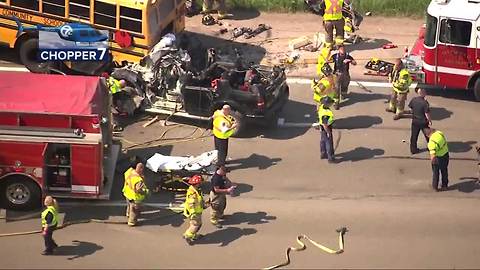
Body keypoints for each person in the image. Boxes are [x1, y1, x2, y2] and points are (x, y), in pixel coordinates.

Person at [183, 175, 206, 245]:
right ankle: (188, 236)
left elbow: (199, 199)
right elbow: (191, 203)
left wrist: (204, 204)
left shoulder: (196, 189)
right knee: (196, 225)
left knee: (194, 224)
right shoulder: (192, 193)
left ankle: (193, 235)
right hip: (195, 212)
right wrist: (193, 213)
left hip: (197, 210)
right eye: (200, 182)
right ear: (197, 183)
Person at [408, 87, 432, 154]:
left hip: (415, 121)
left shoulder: (413, 100)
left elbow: (411, 109)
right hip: (423, 122)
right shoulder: (424, 103)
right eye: (425, 92)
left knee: (414, 136)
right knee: (428, 135)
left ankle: (413, 150)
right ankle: (431, 147)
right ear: (423, 93)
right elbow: (426, 113)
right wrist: (429, 120)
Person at [317, 96, 336, 163]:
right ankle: (330, 157)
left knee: (322, 141)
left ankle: (323, 154)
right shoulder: (326, 113)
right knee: (329, 143)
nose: (331, 104)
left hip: (321, 127)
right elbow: (325, 124)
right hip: (326, 128)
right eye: (330, 103)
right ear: (327, 104)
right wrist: (328, 132)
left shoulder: (321, 107)